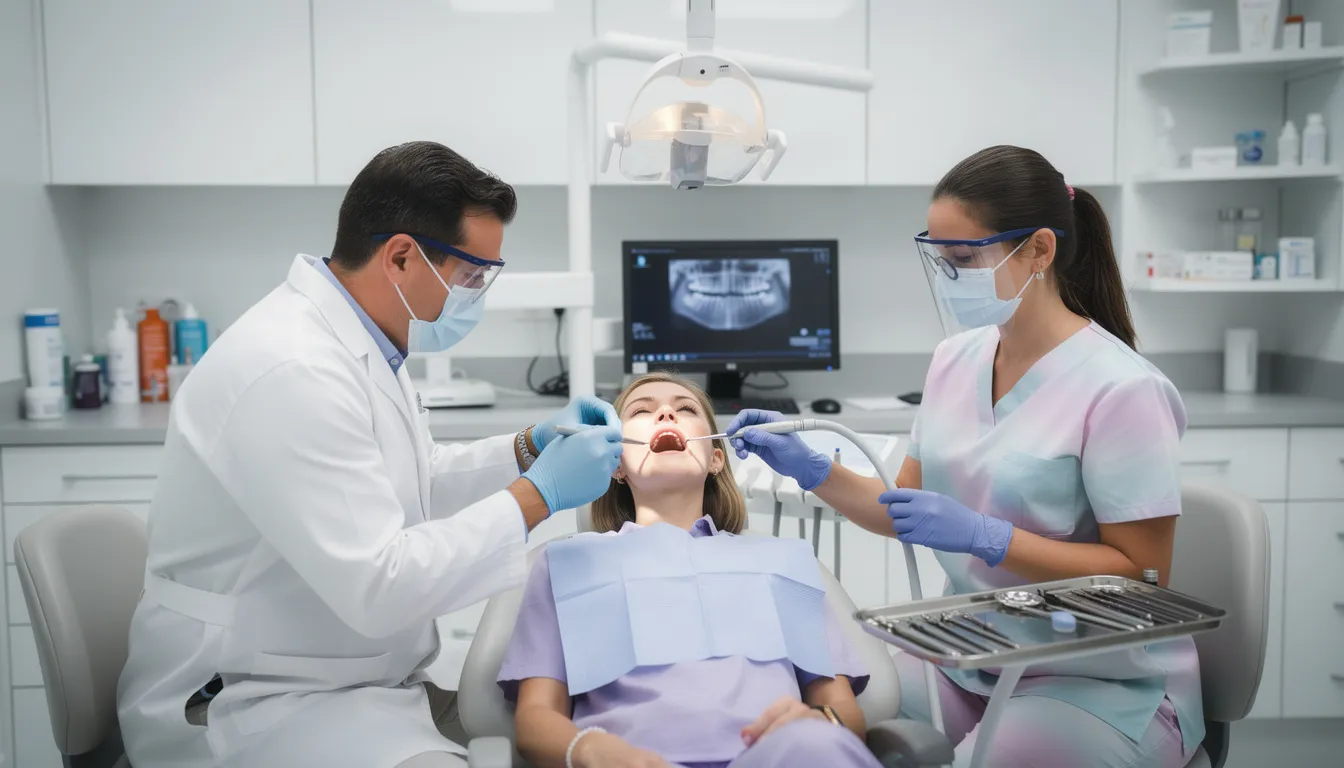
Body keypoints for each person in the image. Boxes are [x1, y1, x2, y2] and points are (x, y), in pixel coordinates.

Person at [116, 141, 626, 768]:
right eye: (472, 275)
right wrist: (538, 495)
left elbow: (408, 487)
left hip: (341, 676)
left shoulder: (361, 339)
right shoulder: (292, 367)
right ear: (403, 257)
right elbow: (380, 583)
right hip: (252, 697)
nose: (476, 294)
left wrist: (528, 450)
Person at [728, 145, 1203, 767]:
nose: (950, 275)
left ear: (1039, 249)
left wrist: (989, 538)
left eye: (965, 258)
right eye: (939, 257)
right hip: (969, 655)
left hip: (1099, 678)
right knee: (825, 727)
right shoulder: (956, 359)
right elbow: (899, 506)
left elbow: (1142, 578)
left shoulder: (1122, 390)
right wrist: (813, 469)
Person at [497, 373, 884, 768]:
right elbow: (534, 720)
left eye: (685, 409)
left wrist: (819, 724)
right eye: (641, 411)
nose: (666, 412)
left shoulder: (782, 562)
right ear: (616, 464)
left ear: (716, 457)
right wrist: (593, 750)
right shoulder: (567, 564)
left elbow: (841, 710)